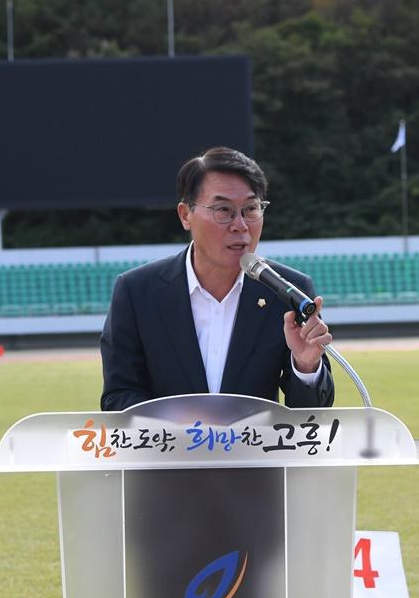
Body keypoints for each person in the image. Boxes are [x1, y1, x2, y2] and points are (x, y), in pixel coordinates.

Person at [100, 146, 334, 411]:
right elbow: (118, 398)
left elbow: (312, 416)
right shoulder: (137, 292)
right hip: (167, 451)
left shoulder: (287, 291)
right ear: (185, 215)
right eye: (223, 210)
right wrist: (185, 431)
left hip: (257, 452)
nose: (241, 225)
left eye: (251, 209)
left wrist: (305, 366)